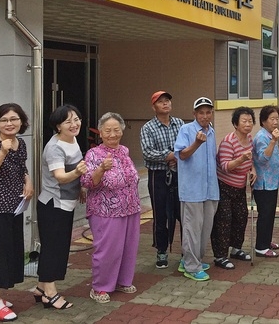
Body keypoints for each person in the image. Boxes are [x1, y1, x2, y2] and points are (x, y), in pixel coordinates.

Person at [0, 103, 34, 322]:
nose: (9, 123)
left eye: (14, 119)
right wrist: (2, 151)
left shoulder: (21, 143)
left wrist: (28, 181)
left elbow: (22, 167)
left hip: (14, 207)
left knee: (8, 253)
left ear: (21, 121)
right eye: (4, 120)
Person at [82, 112, 140, 303]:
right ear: (100, 132)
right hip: (105, 210)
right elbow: (87, 182)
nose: (113, 134)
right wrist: (101, 169)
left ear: (122, 131)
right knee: (108, 250)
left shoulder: (124, 151)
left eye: (116, 130)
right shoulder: (94, 154)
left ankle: (123, 281)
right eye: (108, 131)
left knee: (128, 247)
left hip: (130, 208)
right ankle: (100, 287)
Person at [35, 105, 87, 310]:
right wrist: (78, 173)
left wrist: (80, 186)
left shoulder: (72, 140)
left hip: (66, 204)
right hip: (53, 205)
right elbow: (60, 177)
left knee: (58, 247)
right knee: (52, 249)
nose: (74, 124)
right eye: (68, 122)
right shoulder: (55, 147)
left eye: (76, 119)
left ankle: (41, 288)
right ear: (58, 126)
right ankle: (50, 293)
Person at [174, 97, 219, 281]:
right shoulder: (186, 130)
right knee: (192, 229)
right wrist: (196, 143)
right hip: (192, 190)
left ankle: (191, 259)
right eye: (201, 112)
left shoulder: (211, 131)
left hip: (210, 189)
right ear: (194, 114)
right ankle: (192, 267)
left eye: (208, 112)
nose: (205, 116)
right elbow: (182, 155)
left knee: (205, 228)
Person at [140, 91, 185, 269]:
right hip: (158, 176)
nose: (165, 104)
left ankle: (186, 251)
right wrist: (170, 155)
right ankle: (161, 250)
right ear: (154, 107)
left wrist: (178, 156)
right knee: (160, 214)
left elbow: (186, 145)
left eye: (167, 101)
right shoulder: (148, 128)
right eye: (161, 102)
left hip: (180, 174)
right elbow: (147, 152)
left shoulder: (180, 123)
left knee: (183, 213)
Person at [211, 107, 257, 269]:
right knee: (224, 220)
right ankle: (220, 256)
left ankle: (236, 249)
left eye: (250, 121)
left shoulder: (250, 139)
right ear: (235, 124)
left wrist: (252, 169)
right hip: (224, 186)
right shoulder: (228, 142)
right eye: (244, 121)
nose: (248, 124)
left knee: (241, 216)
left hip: (239, 187)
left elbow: (251, 160)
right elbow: (225, 167)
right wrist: (241, 159)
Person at [252, 105, 279, 257]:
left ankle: (266, 240)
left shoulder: (270, 135)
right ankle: (261, 247)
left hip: (272, 182)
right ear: (263, 121)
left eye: (277, 119)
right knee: (265, 214)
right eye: (272, 119)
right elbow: (263, 159)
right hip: (263, 184)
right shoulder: (262, 137)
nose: (275, 122)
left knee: (270, 213)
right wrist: (273, 141)